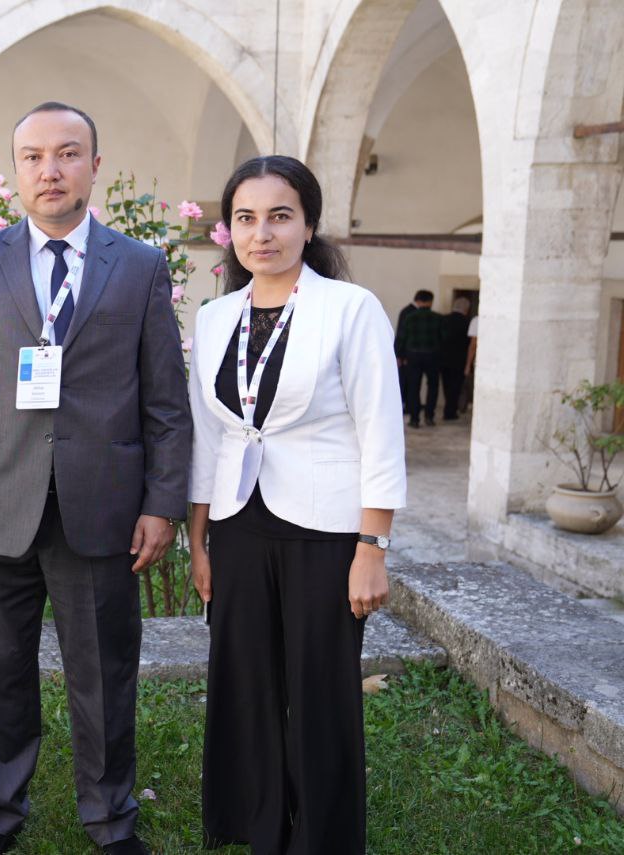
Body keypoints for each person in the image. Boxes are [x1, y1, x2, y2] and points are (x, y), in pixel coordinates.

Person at [0, 102, 192, 855]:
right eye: (34, 157)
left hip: (102, 508)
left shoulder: (139, 266)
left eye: (68, 154)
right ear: (16, 171)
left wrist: (162, 503)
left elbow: (165, 401)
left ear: (94, 166)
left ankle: (109, 818)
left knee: (103, 673)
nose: (51, 170)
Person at [188, 155, 406, 854]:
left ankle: (321, 838)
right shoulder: (215, 316)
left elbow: (380, 431)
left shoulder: (350, 309)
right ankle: (257, 822)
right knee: (244, 681)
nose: (263, 233)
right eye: (246, 218)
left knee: (319, 691)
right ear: (229, 231)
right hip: (238, 525)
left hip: (326, 530)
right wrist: (198, 541)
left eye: (280, 216)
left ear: (308, 225)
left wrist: (372, 549)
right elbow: (208, 437)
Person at [395, 289, 443, 427]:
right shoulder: (438, 318)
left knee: (413, 386)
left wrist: (399, 355)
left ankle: (414, 419)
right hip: (432, 356)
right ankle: (429, 417)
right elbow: (443, 338)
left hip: (413, 356)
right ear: (430, 302)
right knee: (433, 386)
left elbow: (401, 337)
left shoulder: (409, 317)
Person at [440, 297, 471, 420]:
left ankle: (448, 409)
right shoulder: (467, 322)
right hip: (459, 360)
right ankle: (450, 411)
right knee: (456, 386)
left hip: (443, 358)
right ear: (466, 309)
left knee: (446, 385)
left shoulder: (443, 319)